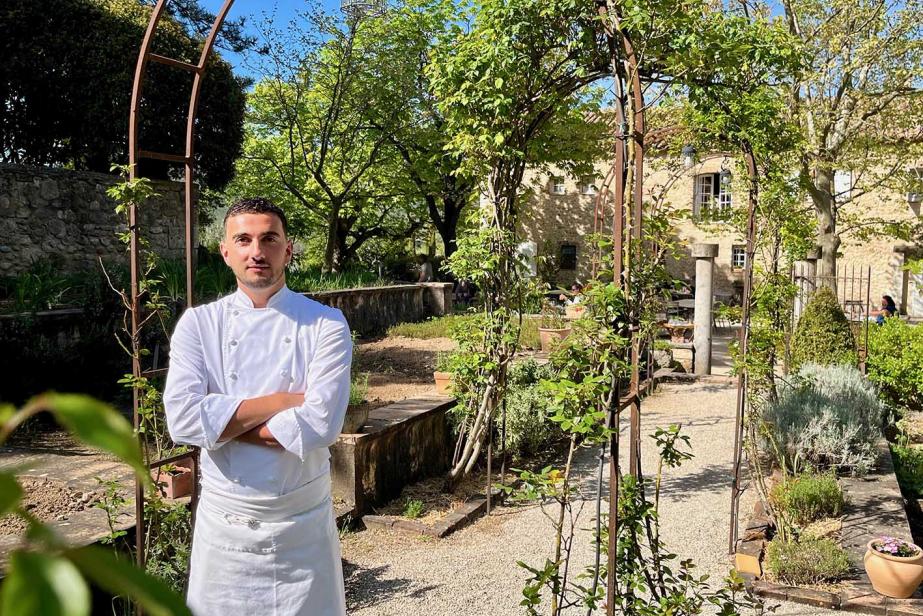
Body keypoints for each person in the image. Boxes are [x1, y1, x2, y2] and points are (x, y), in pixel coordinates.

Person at [164, 197, 352, 616]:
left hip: (302, 526)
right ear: (226, 251)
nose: (257, 251)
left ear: (288, 249)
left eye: (269, 239)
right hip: (226, 527)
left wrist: (220, 425)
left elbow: (320, 426)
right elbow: (182, 420)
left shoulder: (326, 324)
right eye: (243, 239)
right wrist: (281, 402)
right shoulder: (199, 324)